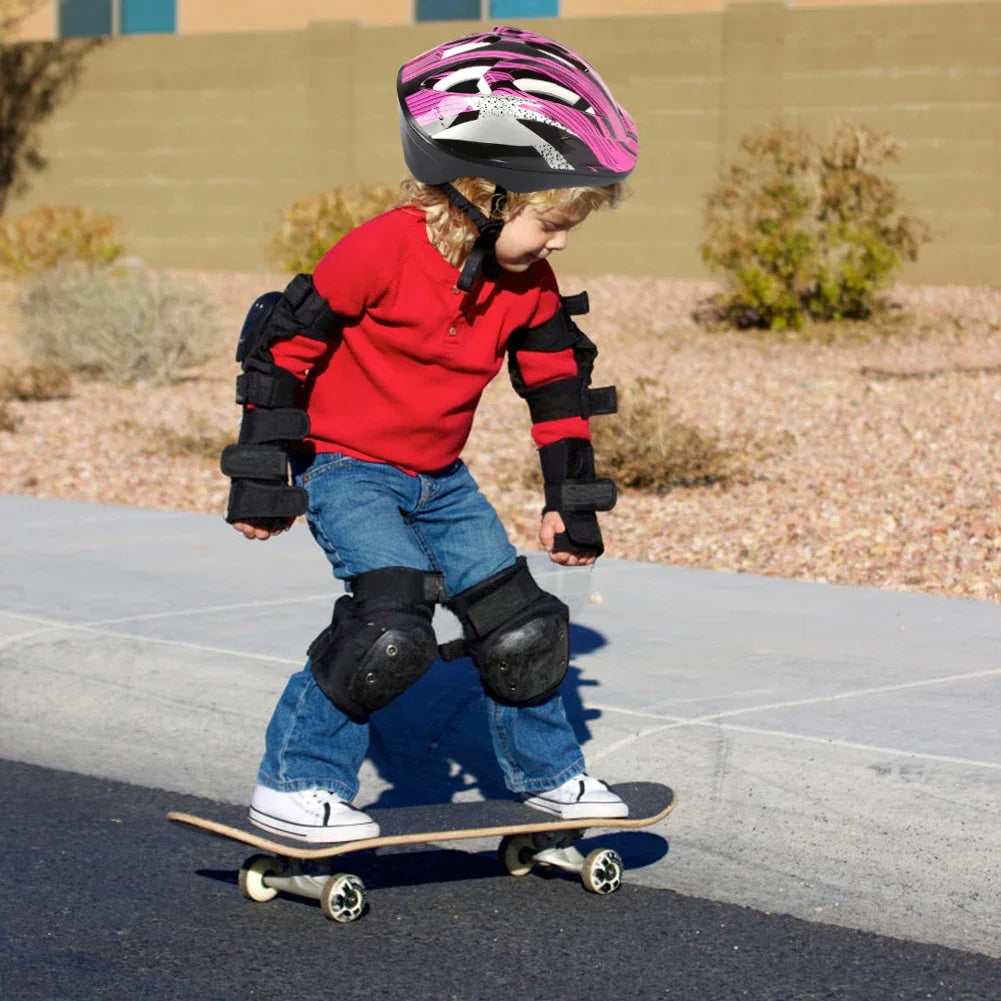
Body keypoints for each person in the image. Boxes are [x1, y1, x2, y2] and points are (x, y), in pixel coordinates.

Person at [220, 26, 639, 843]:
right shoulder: (382, 248)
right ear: (486, 194)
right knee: (389, 628)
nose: (558, 240)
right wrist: (264, 478)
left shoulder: (529, 283)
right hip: (348, 470)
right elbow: (282, 349)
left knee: (521, 626)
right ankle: (294, 784)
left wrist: (570, 500)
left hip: (441, 480)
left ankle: (549, 779)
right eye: (550, 220)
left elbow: (555, 384)